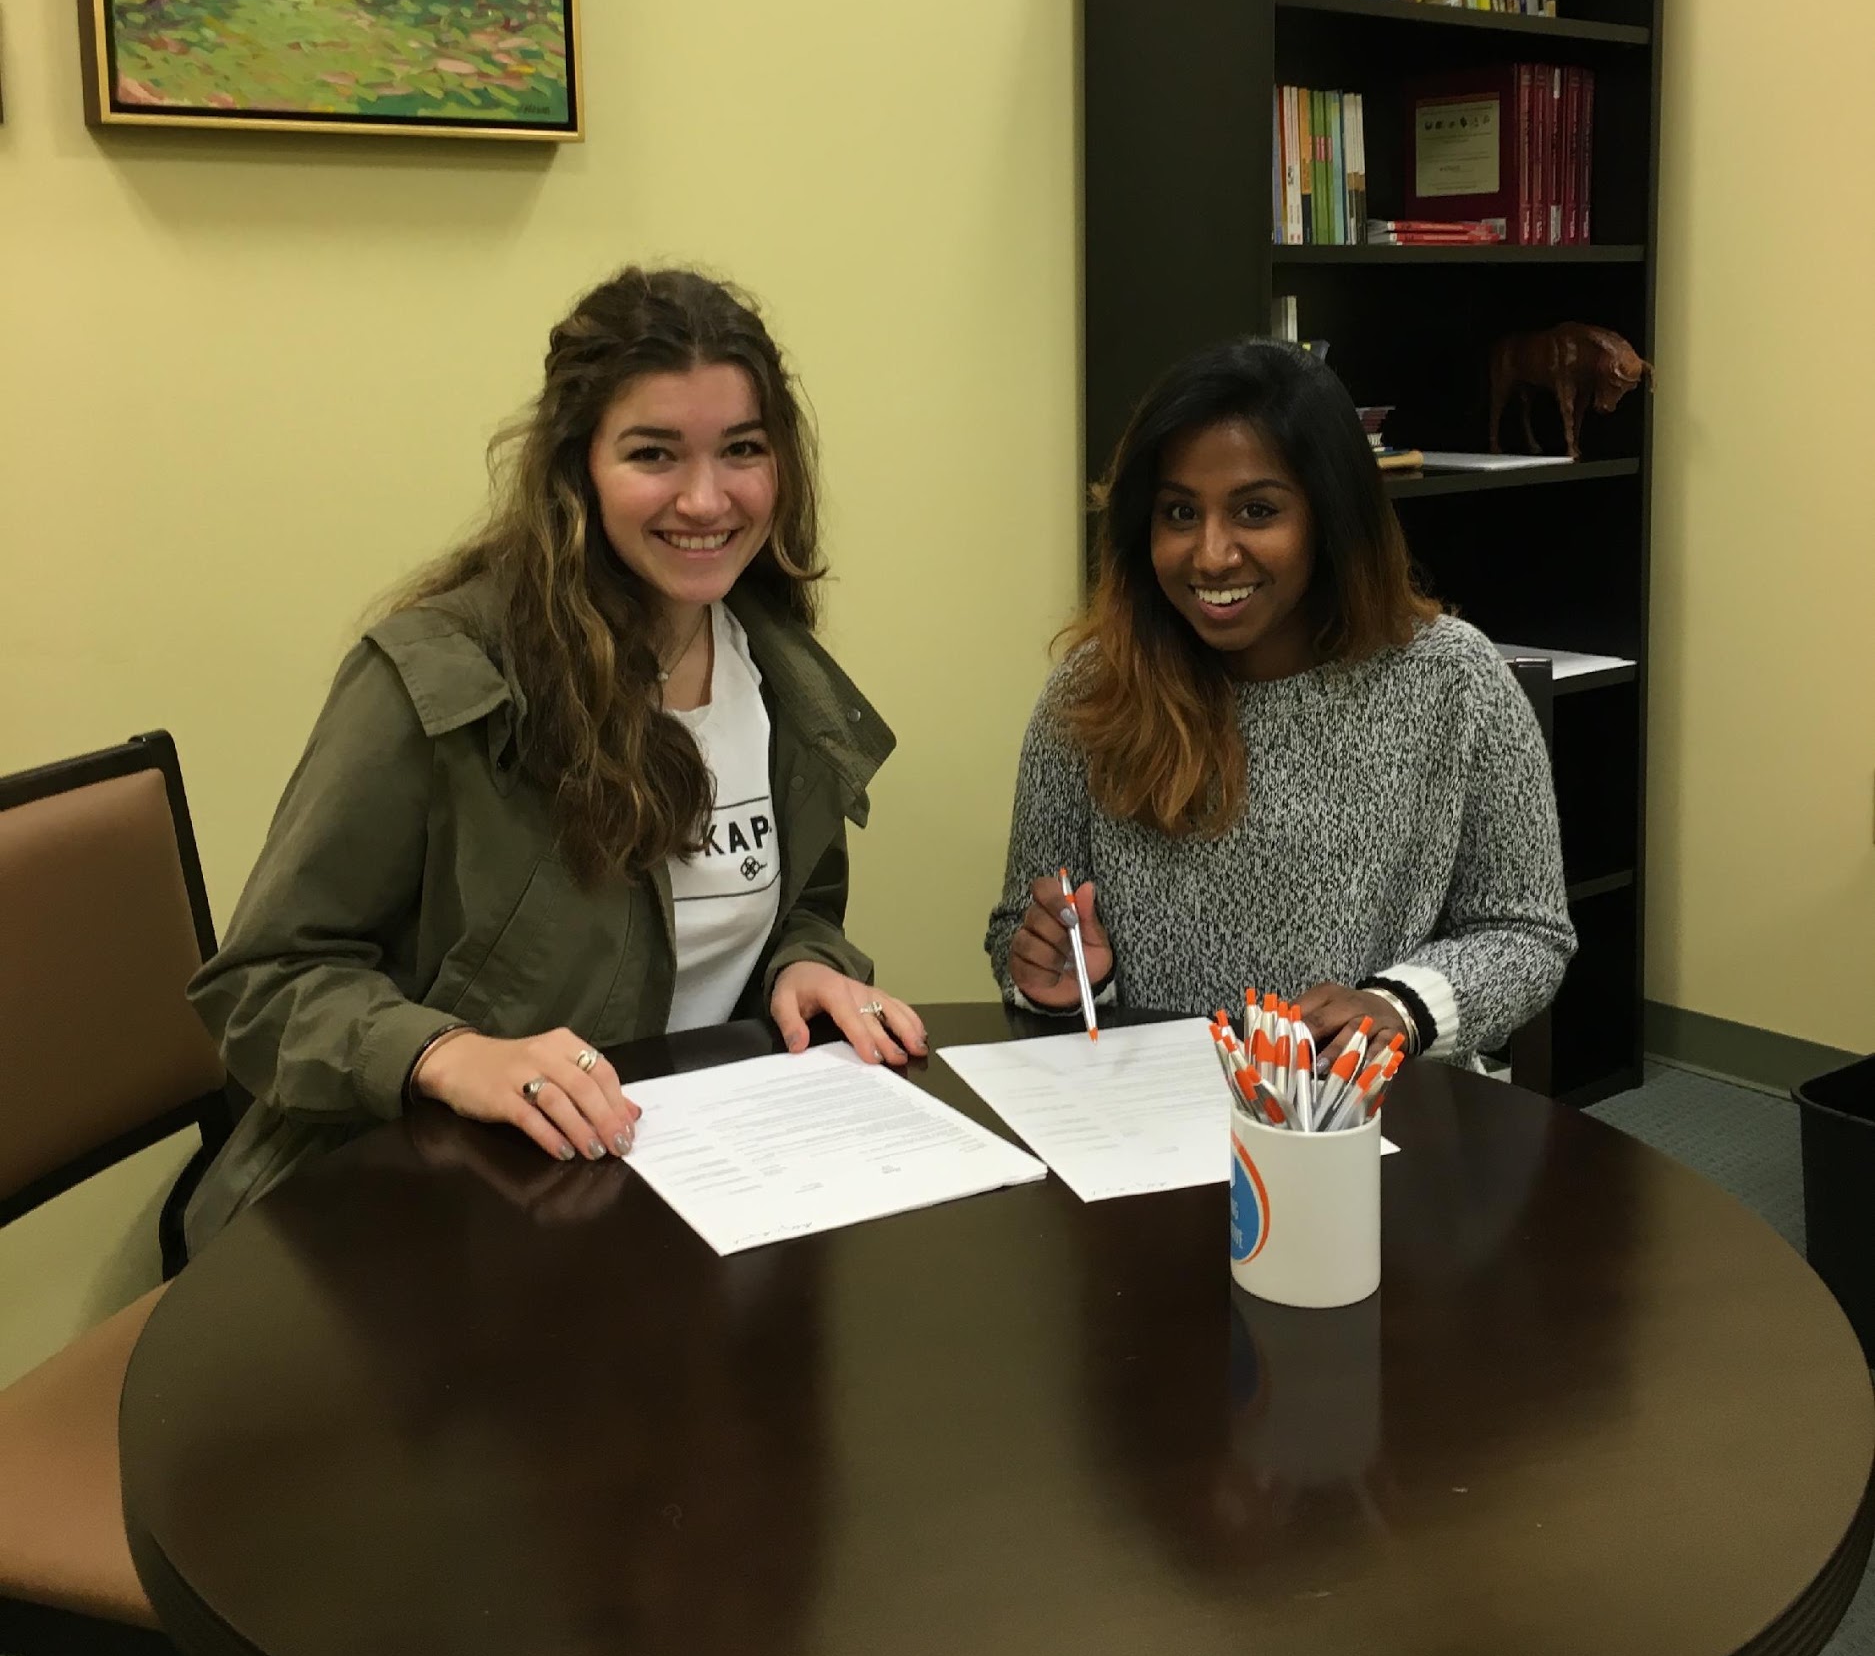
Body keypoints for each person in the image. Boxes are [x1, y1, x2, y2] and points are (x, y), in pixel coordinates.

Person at [186, 266, 923, 1246]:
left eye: (742, 450)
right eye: (653, 453)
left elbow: (801, 906)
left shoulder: (779, 670)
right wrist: (445, 1053)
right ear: (578, 468)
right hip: (409, 1221)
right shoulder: (439, 677)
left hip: (660, 1206)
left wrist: (806, 961)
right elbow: (261, 984)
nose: (707, 497)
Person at [986, 338, 1573, 1064]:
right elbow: (1022, 930)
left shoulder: (1455, 681)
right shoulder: (1093, 689)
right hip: (1150, 1105)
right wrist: (1063, 977)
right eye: (1178, 513)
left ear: (1332, 517)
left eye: (1256, 511)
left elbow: (1524, 933)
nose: (1211, 554)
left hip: (1377, 1107)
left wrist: (1397, 1007)